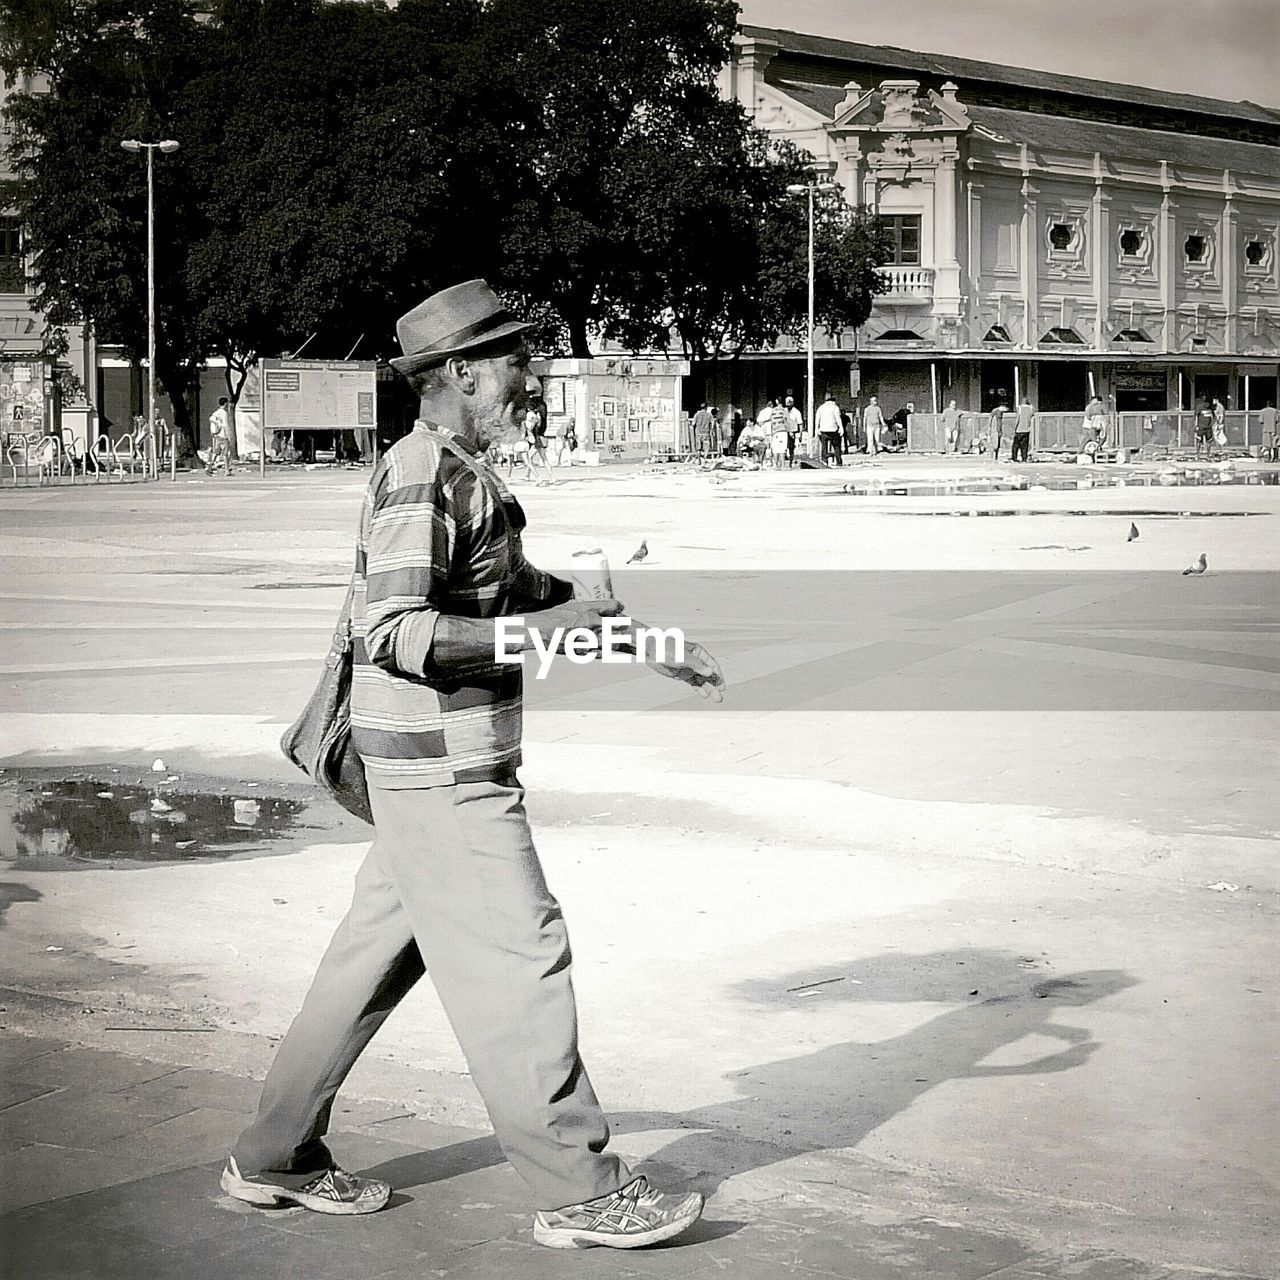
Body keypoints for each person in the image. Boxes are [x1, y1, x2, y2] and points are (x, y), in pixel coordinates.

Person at [221, 280, 723, 1249]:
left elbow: (515, 594)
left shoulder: (460, 470)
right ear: (457, 372)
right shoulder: (422, 471)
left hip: (429, 770)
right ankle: (577, 1183)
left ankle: (273, 1154)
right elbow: (397, 629)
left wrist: (631, 632)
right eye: (511, 360)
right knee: (518, 954)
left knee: (364, 965)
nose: (526, 378)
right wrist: (555, 625)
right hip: (444, 773)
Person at [523, 401, 555, 484]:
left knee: (530, 458)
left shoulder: (530, 415)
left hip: (536, 439)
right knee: (542, 458)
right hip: (540, 437)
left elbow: (530, 426)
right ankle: (550, 476)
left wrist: (528, 431)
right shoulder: (539, 416)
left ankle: (535, 476)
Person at [815, 391, 844, 466]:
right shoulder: (835, 407)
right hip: (833, 429)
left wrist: (816, 428)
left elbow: (817, 419)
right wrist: (841, 427)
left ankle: (824, 461)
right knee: (836, 446)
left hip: (823, 429)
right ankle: (839, 461)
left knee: (824, 447)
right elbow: (838, 418)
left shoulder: (820, 408)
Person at [206, 397, 232, 476]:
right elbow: (226, 424)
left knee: (215, 452)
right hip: (223, 435)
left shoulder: (216, 413)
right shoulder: (224, 413)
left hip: (217, 435)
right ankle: (227, 470)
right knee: (225, 454)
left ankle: (209, 467)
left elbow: (212, 420)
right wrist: (229, 435)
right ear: (225, 403)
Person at [1011, 394, 1034, 462]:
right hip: (1026, 429)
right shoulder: (1030, 408)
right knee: (1024, 446)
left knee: (1016, 445)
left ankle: (1014, 458)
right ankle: (1024, 458)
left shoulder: (1019, 408)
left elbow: (1017, 419)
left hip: (1019, 429)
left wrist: (1014, 428)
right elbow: (1032, 415)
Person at [987, 395, 1009, 461]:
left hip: (999, 429)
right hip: (995, 429)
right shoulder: (995, 411)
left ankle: (996, 457)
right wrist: (989, 427)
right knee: (994, 443)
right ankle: (991, 456)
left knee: (998, 444)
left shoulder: (1001, 412)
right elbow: (990, 418)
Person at [783, 394, 803, 465]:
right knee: (783, 447)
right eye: (787, 404)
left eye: (789, 404)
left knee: (791, 447)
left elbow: (800, 423)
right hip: (784, 431)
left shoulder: (796, 412)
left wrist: (801, 434)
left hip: (793, 432)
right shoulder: (784, 410)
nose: (788, 406)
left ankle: (791, 461)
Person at [770, 398, 789, 470]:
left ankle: (776, 465)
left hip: (775, 431)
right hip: (782, 430)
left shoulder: (773, 410)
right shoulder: (784, 410)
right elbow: (786, 420)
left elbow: (771, 421)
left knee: (775, 448)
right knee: (782, 448)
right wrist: (789, 430)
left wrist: (772, 432)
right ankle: (783, 466)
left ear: (776, 401)